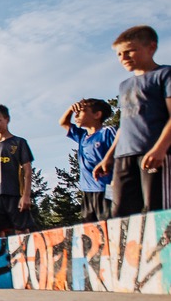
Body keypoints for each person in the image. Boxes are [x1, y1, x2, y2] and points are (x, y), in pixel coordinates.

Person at [94, 26, 171, 217]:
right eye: (120, 54)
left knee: (157, 211)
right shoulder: (125, 85)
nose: (124, 57)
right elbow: (124, 123)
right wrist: (109, 156)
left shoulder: (164, 75)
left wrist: (160, 148)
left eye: (130, 51)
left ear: (151, 47)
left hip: (154, 152)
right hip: (124, 156)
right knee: (121, 212)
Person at [0, 104, 36, 237]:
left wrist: (26, 195)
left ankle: (25, 257)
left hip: (15, 194)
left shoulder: (19, 142)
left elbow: (28, 171)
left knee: (21, 230)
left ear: (7, 119)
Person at [59, 99, 116, 222]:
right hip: (87, 191)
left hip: (107, 189)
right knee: (91, 230)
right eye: (76, 112)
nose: (76, 115)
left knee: (110, 225)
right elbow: (63, 122)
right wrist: (70, 109)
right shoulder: (82, 136)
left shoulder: (107, 132)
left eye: (81, 111)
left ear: (97, 115)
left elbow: (120, 153)